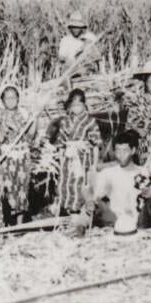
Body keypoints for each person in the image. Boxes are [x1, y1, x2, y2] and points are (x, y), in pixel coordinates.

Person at [79, 130, 151, 238]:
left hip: (140, 218)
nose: (120, 155)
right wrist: (89, 200)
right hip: (115, 219)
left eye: (125, 150)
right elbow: (87, 189)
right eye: (117, 151)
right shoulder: (109, 172)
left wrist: (150, 192)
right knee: (90, 204)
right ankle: (79, 230)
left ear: (133, 150)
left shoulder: (143, 171)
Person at [0, 85, 35, 223]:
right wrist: (0, 135)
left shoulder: (25, 114)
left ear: (18, 99)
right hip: (5, 157)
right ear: (3, 100)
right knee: (7, 188)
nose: (11, 100)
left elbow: (31, 136)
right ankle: (7, 221)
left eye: (14, 97)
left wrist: (26, 125)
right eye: (7, 98)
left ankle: (19, 223)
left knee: (22, 189)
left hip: (22, 155)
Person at [49, 89, 101, 218]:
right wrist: (61, 162)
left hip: (83, 159)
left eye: (79, 105)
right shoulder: (65, 121)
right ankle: (67, 212)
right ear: (69, 106)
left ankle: (79, 213)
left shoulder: (90, 121)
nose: (76, 108)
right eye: (74, 105)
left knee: (80, 184)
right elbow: (61, 144)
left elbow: (96, 145)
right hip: (68, 158)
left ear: (84, 105)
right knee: (65, 184)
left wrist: (94, 165)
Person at [56, 12, 99, 77]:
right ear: (70, 28)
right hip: (71, 70)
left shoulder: (90, 37)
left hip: (88, 69)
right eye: (73, 27)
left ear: (82, 27)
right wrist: (71, 62)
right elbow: (61, 58)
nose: (75, 29)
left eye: (78, 27)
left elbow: (97, 56)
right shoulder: (65, 40)